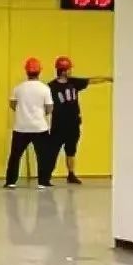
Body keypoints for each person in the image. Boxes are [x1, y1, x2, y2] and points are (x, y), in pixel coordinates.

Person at [47, 56, 113, 185]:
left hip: (73, 124)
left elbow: (91, 80)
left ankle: (71, 175)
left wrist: (107, 78)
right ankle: (46, 175)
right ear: (63, 71)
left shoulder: (74, 82)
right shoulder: (51, 87)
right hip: (58, 126)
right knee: (52, 151)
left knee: (71, 151)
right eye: (69, 69)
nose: (71, 71)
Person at [5, 57, 54, 189]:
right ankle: (43, 182)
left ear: (26, 72)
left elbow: (12, 104)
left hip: (21, 127)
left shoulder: (18, 88)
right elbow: (49, 108)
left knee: (15, 156)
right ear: (39, 72)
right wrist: (41, 114)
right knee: (43, 156)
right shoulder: (44, 88)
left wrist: (22, 112)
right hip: (40, 127)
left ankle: (10, 181)